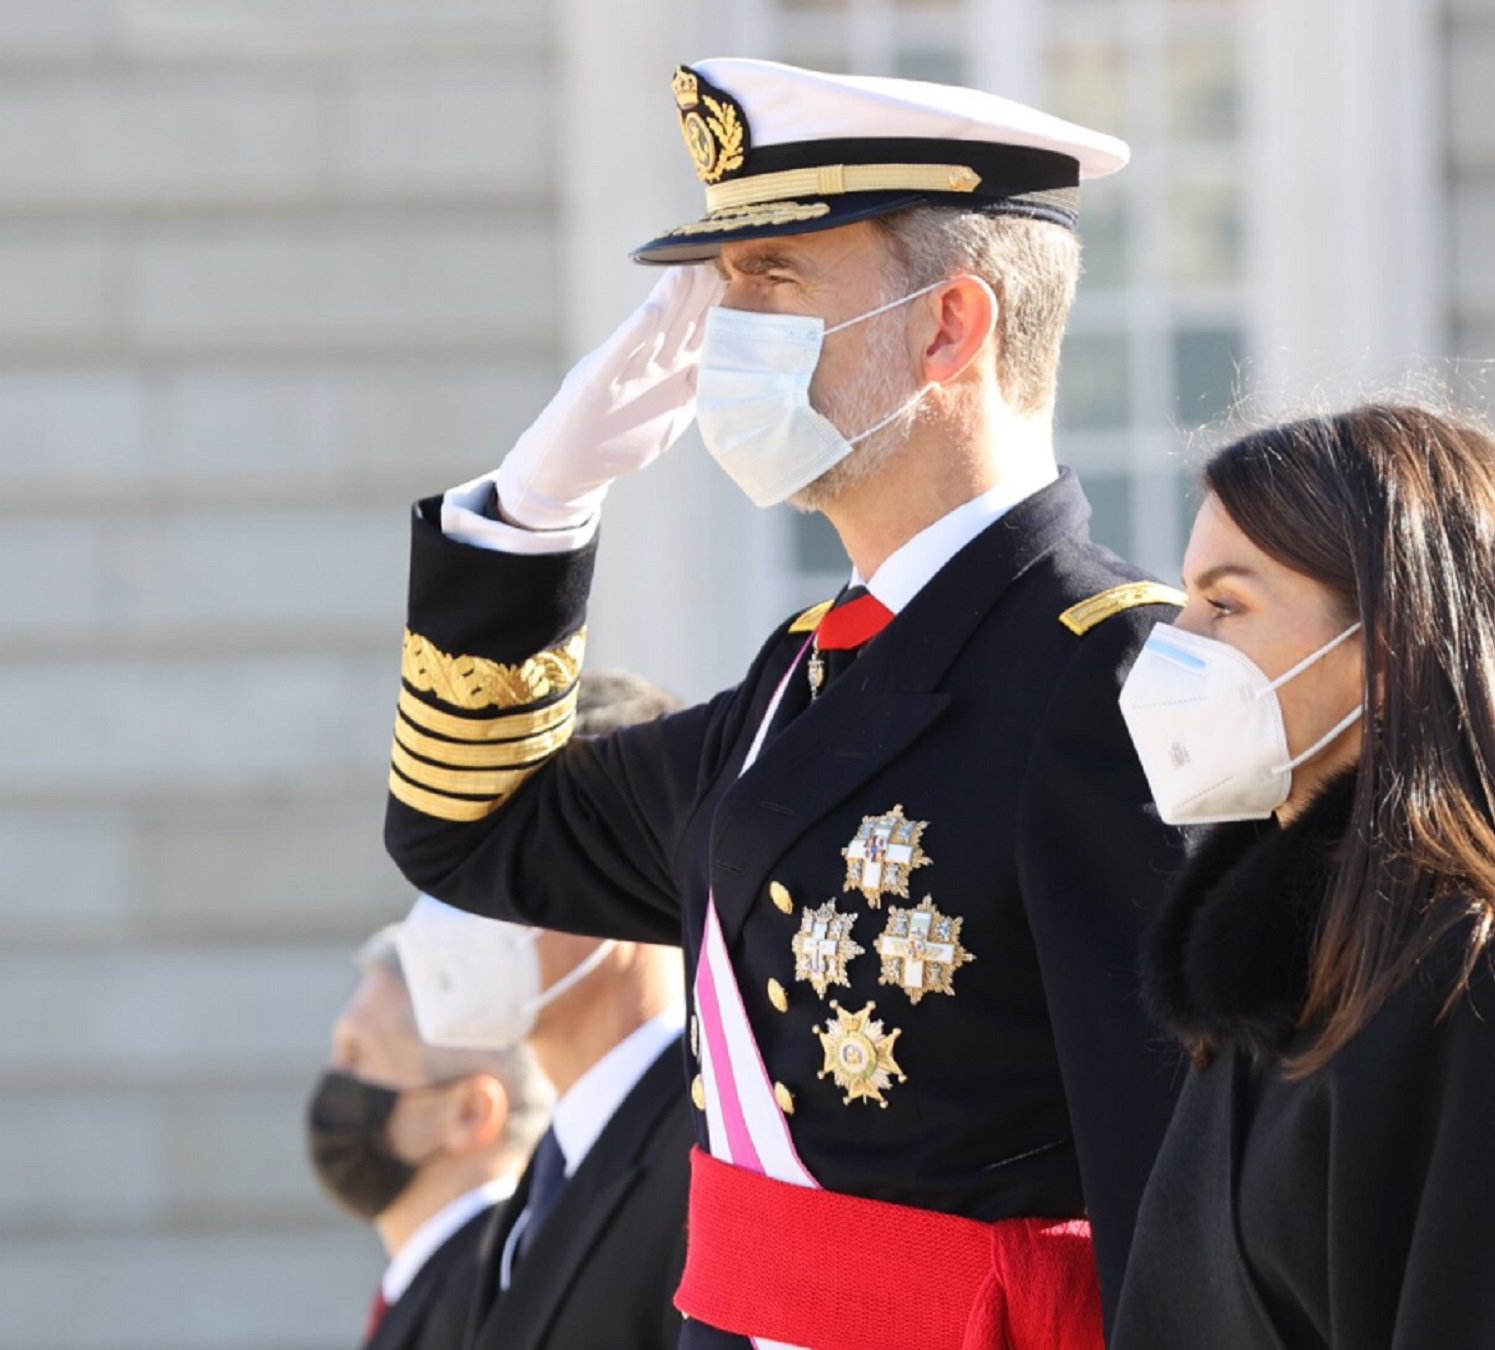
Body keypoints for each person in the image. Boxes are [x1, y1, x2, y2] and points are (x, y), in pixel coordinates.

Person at [381, 58, 1186, 1349]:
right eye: (722, 284)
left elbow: (1171, 1182)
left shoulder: (1108, 679)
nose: (714, 330)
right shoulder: (798, 678)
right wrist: (532, 511)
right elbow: (472, 832)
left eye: (773, 279)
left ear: (948, 327)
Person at [1109, 405, 1495, 1349]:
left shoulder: (1488, 985)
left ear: (1388, 645)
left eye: (1225, 605)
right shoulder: (1276, 979)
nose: (1176, 639)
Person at [394, 669, 696, 1350]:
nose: (464, 899)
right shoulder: (549, 1171)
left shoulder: (718, 1150)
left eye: (508, 852)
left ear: (618, 865)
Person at [308, 926, 552, 1350]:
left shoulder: (489, 1299)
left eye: (357, 1056)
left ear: (469, 1113)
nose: (335, 1081)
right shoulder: (448, 1281)